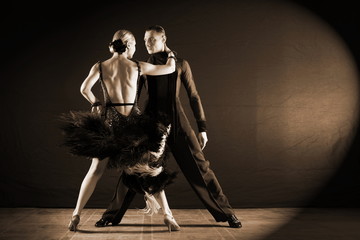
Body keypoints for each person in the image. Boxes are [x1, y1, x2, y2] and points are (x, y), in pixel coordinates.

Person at [95, 25, 242, 228]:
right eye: (145, 40)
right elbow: (132, 97)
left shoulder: (181, 64)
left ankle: (227, 213)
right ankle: (111, 215)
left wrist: (202, 128)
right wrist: (126, 125)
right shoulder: (141, 65)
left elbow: (194, 96)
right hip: (150, 124)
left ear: (163, 38)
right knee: (134, 169)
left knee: (201, 169)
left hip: (178, 123)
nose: (147, 43)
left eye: (152, 40)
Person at [60, 29, 180, 232]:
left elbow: (84, 89)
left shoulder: (101, 66)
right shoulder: (137, 66)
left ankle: (76, 215)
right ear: (130, 45)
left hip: (110, 123)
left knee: (95, 171)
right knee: (148, 170)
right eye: (135, 45)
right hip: (133, 124)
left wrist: (96, 102)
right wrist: (170, 52)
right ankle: (168, 215)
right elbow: (169, 69)